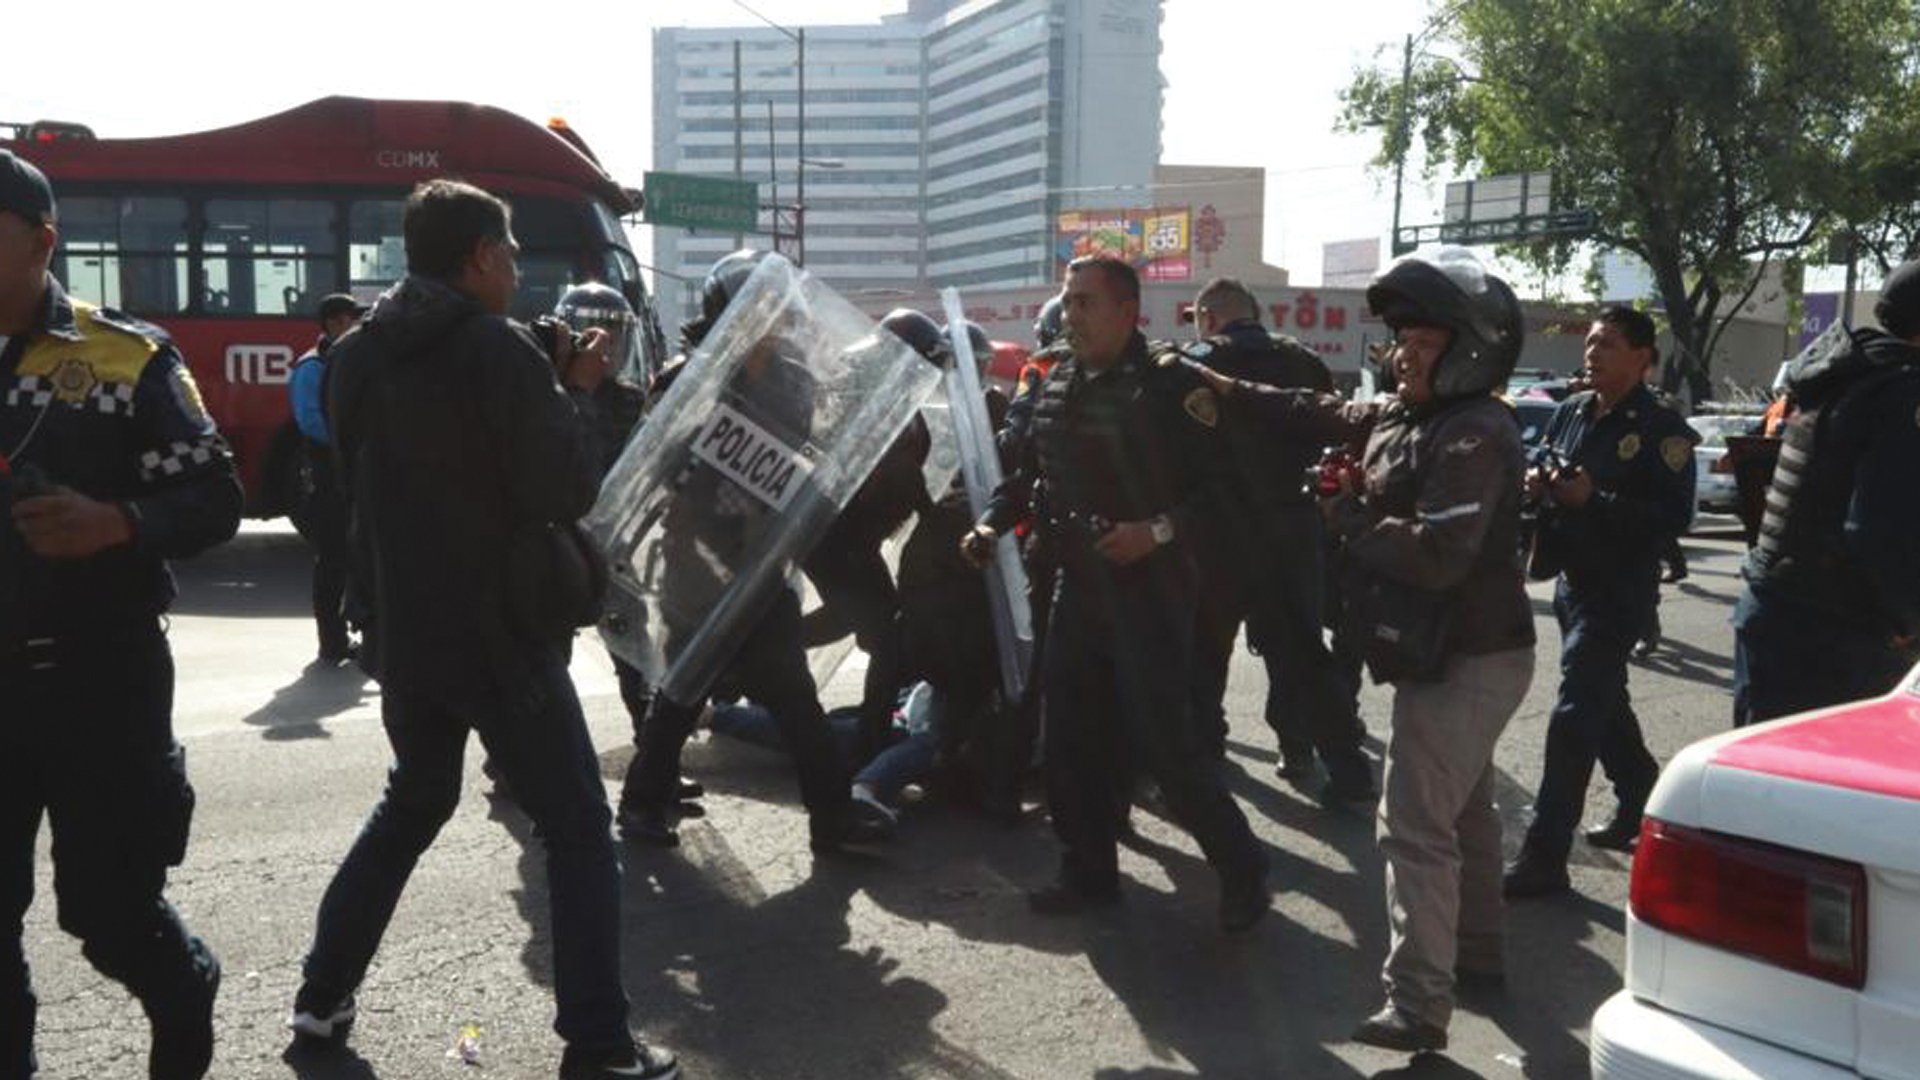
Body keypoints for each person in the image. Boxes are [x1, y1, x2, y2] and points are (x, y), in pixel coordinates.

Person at [291, 179, 677, 1080]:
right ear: (478, 257)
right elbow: (563, 490)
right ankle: (599, 1043)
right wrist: (574, 389)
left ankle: (320, 997)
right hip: (502, 638)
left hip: (404, 631)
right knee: (580, 829)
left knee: (414, 803)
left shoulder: (358, 355)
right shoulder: (497, 354)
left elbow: (365, 484)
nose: (515, 267)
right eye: (508, 251)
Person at [1198, 248, 1534, 1052]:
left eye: (1422, 345)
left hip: (1470, 656)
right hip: (1450, 652)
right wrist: (1219, 385)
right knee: (1470, 816)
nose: (1402, 356)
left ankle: (1418, 1005)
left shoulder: (1475, 430)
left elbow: (1440, 555)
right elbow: (1309, 408)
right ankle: (1479, 954)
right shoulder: (1403, 414)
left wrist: (1348, 517)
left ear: (1471, 349)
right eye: (1403, 343)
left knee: (1414, 824)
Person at [1, 148, 238, 1080]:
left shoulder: (126, 358)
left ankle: (185, 993)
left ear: (42, 244)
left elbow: (216, 498)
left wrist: (118, 524)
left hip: (102, 682)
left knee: (106, 917)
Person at [961, 255, 1270, 932]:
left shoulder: (1173, 387)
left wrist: (1154, 532)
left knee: (1165, 743)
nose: (1071, 315)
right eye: (1067, 303)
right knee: (1069, 735)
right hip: (1077, 584)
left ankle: (1243, 870)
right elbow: (1031, 478)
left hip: (1152, 588)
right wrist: (991, 525)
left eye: (1086, 304)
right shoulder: (1056, 382)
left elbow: (1225, 495)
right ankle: (1088, 870)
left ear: (1128, 312)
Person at [614, 250, 895, 853]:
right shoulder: (686, 379)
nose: (770, 318)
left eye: (775, 308)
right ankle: (642, 801)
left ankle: (832, 816)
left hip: (762, 561)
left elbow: (815, 458)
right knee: (683, 688)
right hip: (696, 560)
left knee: (792, 694)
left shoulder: (795, 382)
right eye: (757, 307)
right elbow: (655, 466)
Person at [1504, 306, 1694, 898]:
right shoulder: (1571, 411)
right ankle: (1638, 788)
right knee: (1603, 698)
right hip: (1570, 580)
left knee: (1575, 712)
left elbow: (1672, 519)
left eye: (1608, 344)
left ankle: (1545, 852)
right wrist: (1539, 483)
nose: (1593, 353)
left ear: (1642, 357)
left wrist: (1596, 500)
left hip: (1620, 587)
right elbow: (1544, 462)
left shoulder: (1663, 431)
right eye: (1590, 342)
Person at [1180, 277, 1375, 804]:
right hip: (1291, 523)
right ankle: (1322, 757)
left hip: (1216, 530)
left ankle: (1204, 747)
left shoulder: (1195, 359)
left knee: (1205, 645)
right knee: (1303, 650)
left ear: (1208, 318)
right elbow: (1329, 430)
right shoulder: (1303, 359)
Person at [1731, 259, 1920, 726]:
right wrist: (1909, 622)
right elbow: (1880, 529)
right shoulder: (1903, 393)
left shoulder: (1846, 374)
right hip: (1835, 632)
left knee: (1765, 780)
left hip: (1779, 610)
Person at [288, 292, 367, 664]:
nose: (357, 325)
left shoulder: (345, 360)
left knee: (357, 556)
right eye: (352, 318)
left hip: (349, 473)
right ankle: (331, 643)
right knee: (333, 559)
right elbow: (310, 421)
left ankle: (357, 634)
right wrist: (351, 440)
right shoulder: (312, 367)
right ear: (336, 322)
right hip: (327, 474)